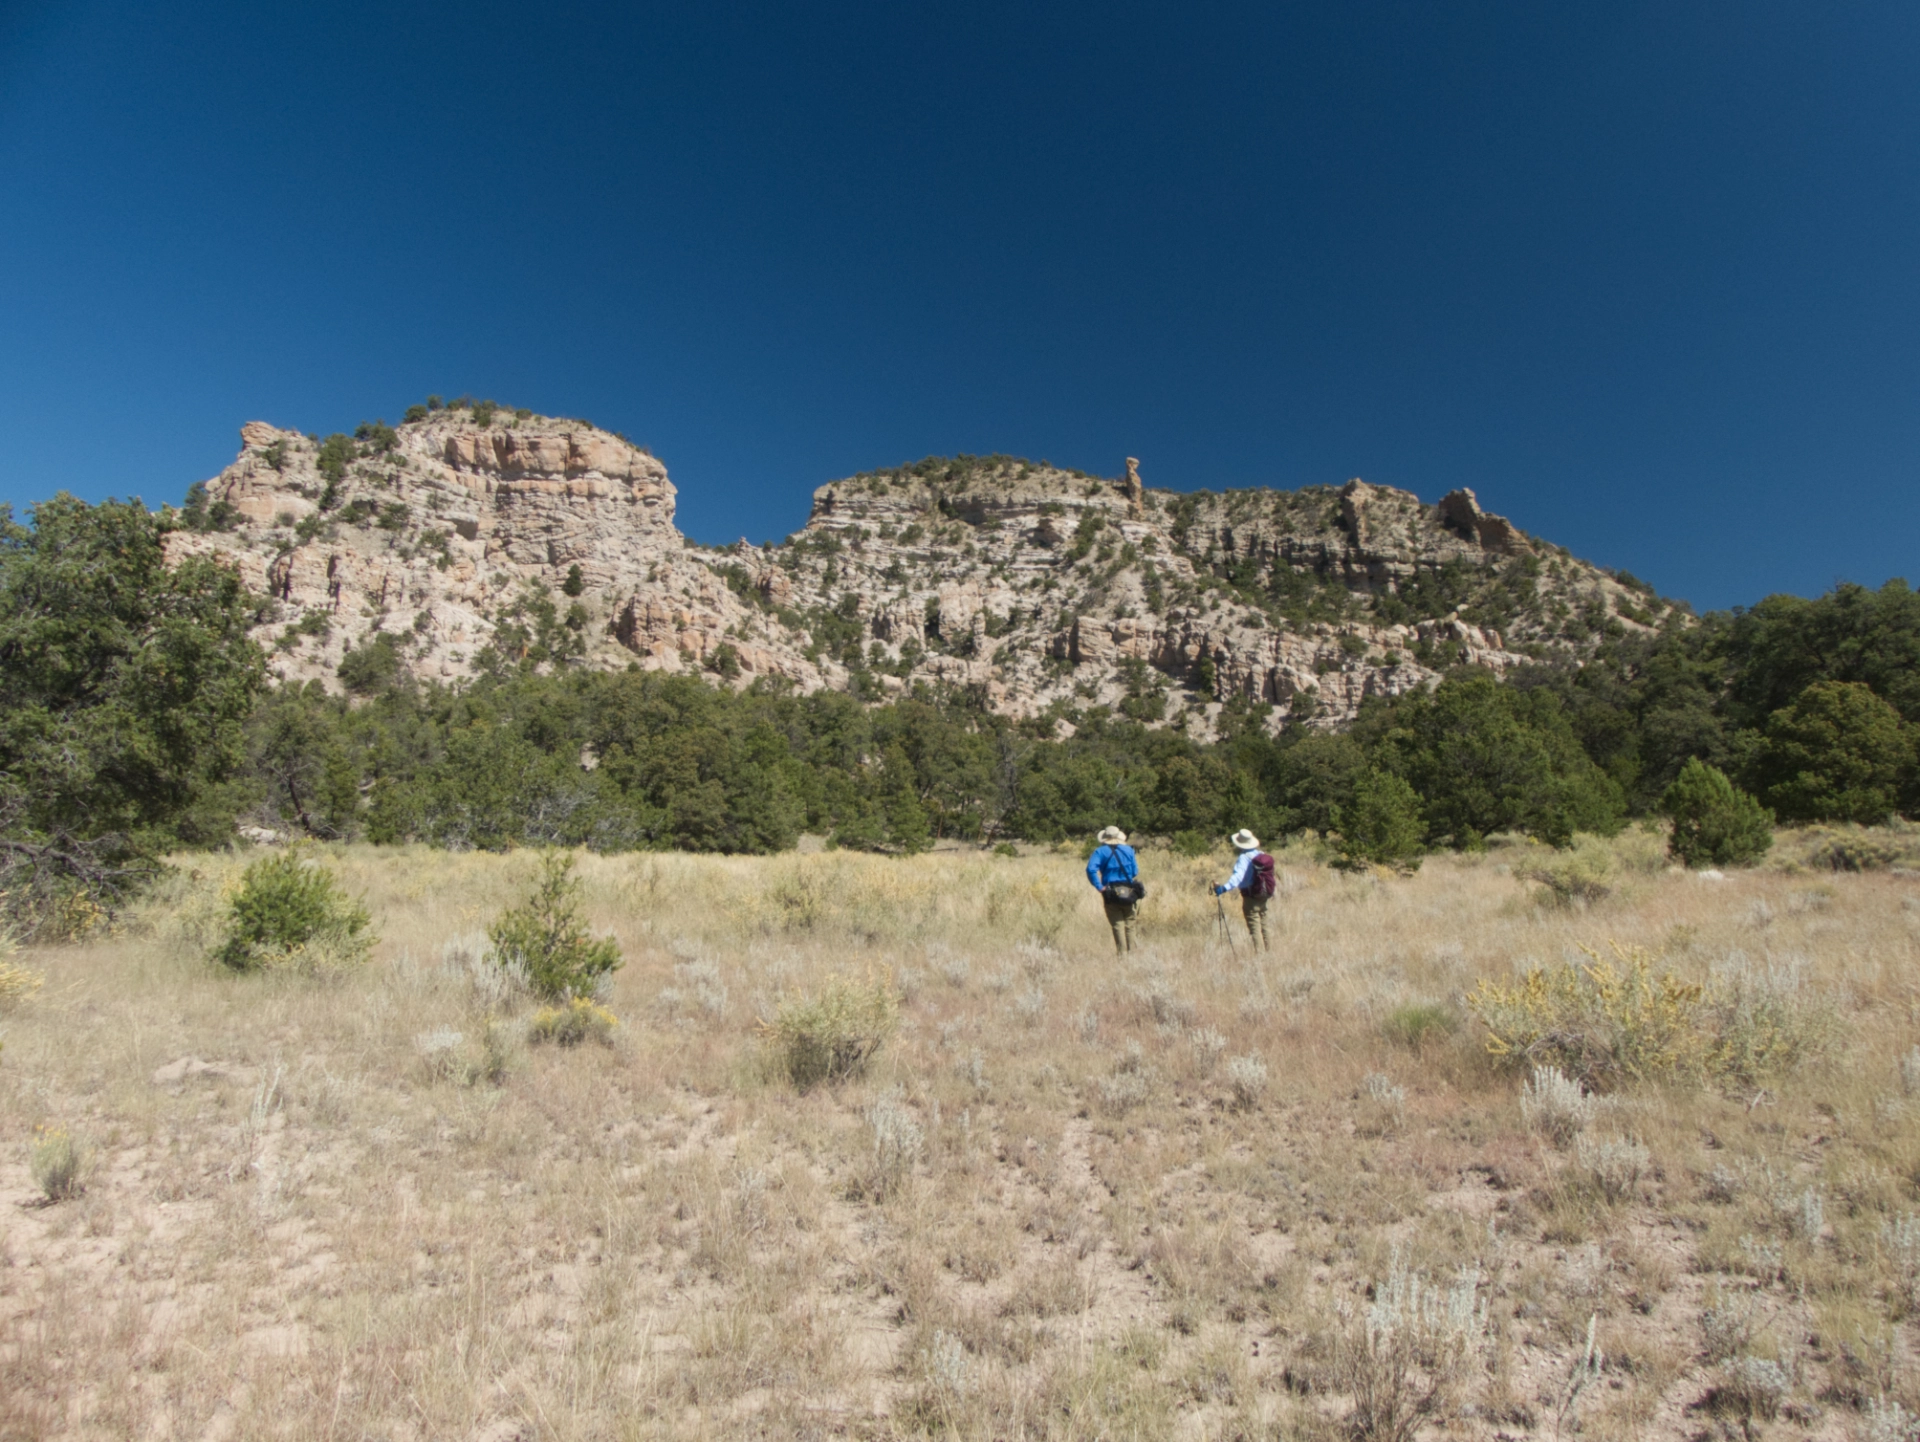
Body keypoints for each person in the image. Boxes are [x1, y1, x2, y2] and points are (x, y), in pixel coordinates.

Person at [1213, 828, 1276, 952]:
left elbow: (1238, 877)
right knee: (1264, 924)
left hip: (1250, 896)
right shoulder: (1260, 854)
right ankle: (1270, 952)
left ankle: (1260, 955)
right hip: (1263, 894)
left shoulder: (1243, 857)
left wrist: (1223, 888)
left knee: (1254, 926)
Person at [1086, 825, 1143, 953]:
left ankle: (1122, 956)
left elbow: (1091, 870)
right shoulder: (1129, 850)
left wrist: (1100, 887)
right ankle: (1132, 954)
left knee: (1117, 925)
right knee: (1130, 924)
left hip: (1110, 891)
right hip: (1128, 889)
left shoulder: (1100, 852)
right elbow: (1135, 871)